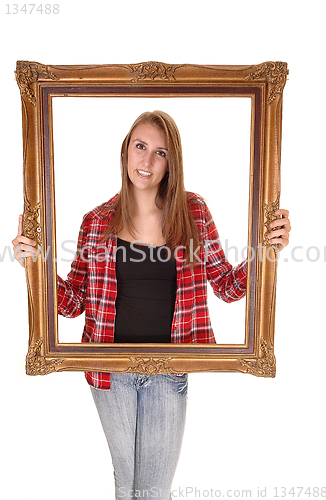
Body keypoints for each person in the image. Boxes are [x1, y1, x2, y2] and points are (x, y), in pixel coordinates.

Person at [12, 110, 291, 500]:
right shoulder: (95, 222)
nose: (146, 161)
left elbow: (227, 286)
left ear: (170, 162)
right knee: (127, 486)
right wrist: (36, 264)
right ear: (126, 150)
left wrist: (267, 250)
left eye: (159, 153)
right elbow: (74, 303)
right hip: (108, 372)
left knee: (153, 490)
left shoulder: (193, 212)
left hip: (169, 368)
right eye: (140, 147)